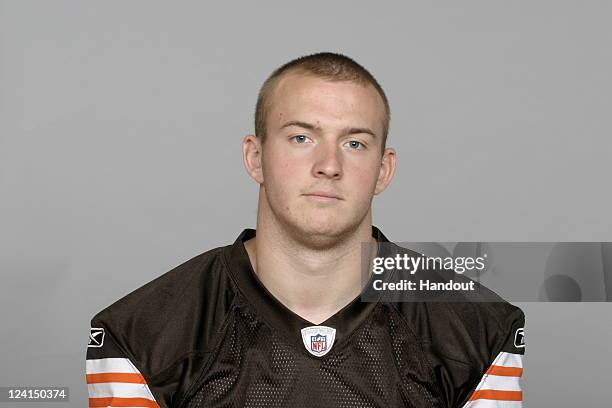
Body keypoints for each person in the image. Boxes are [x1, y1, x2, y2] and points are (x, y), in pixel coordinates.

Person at [85, 52, 525, 408]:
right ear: (255, 157)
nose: (329, 166)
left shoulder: (476, 329)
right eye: (301, 138)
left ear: (383, 170)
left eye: (354, 143)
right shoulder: (142, 335)